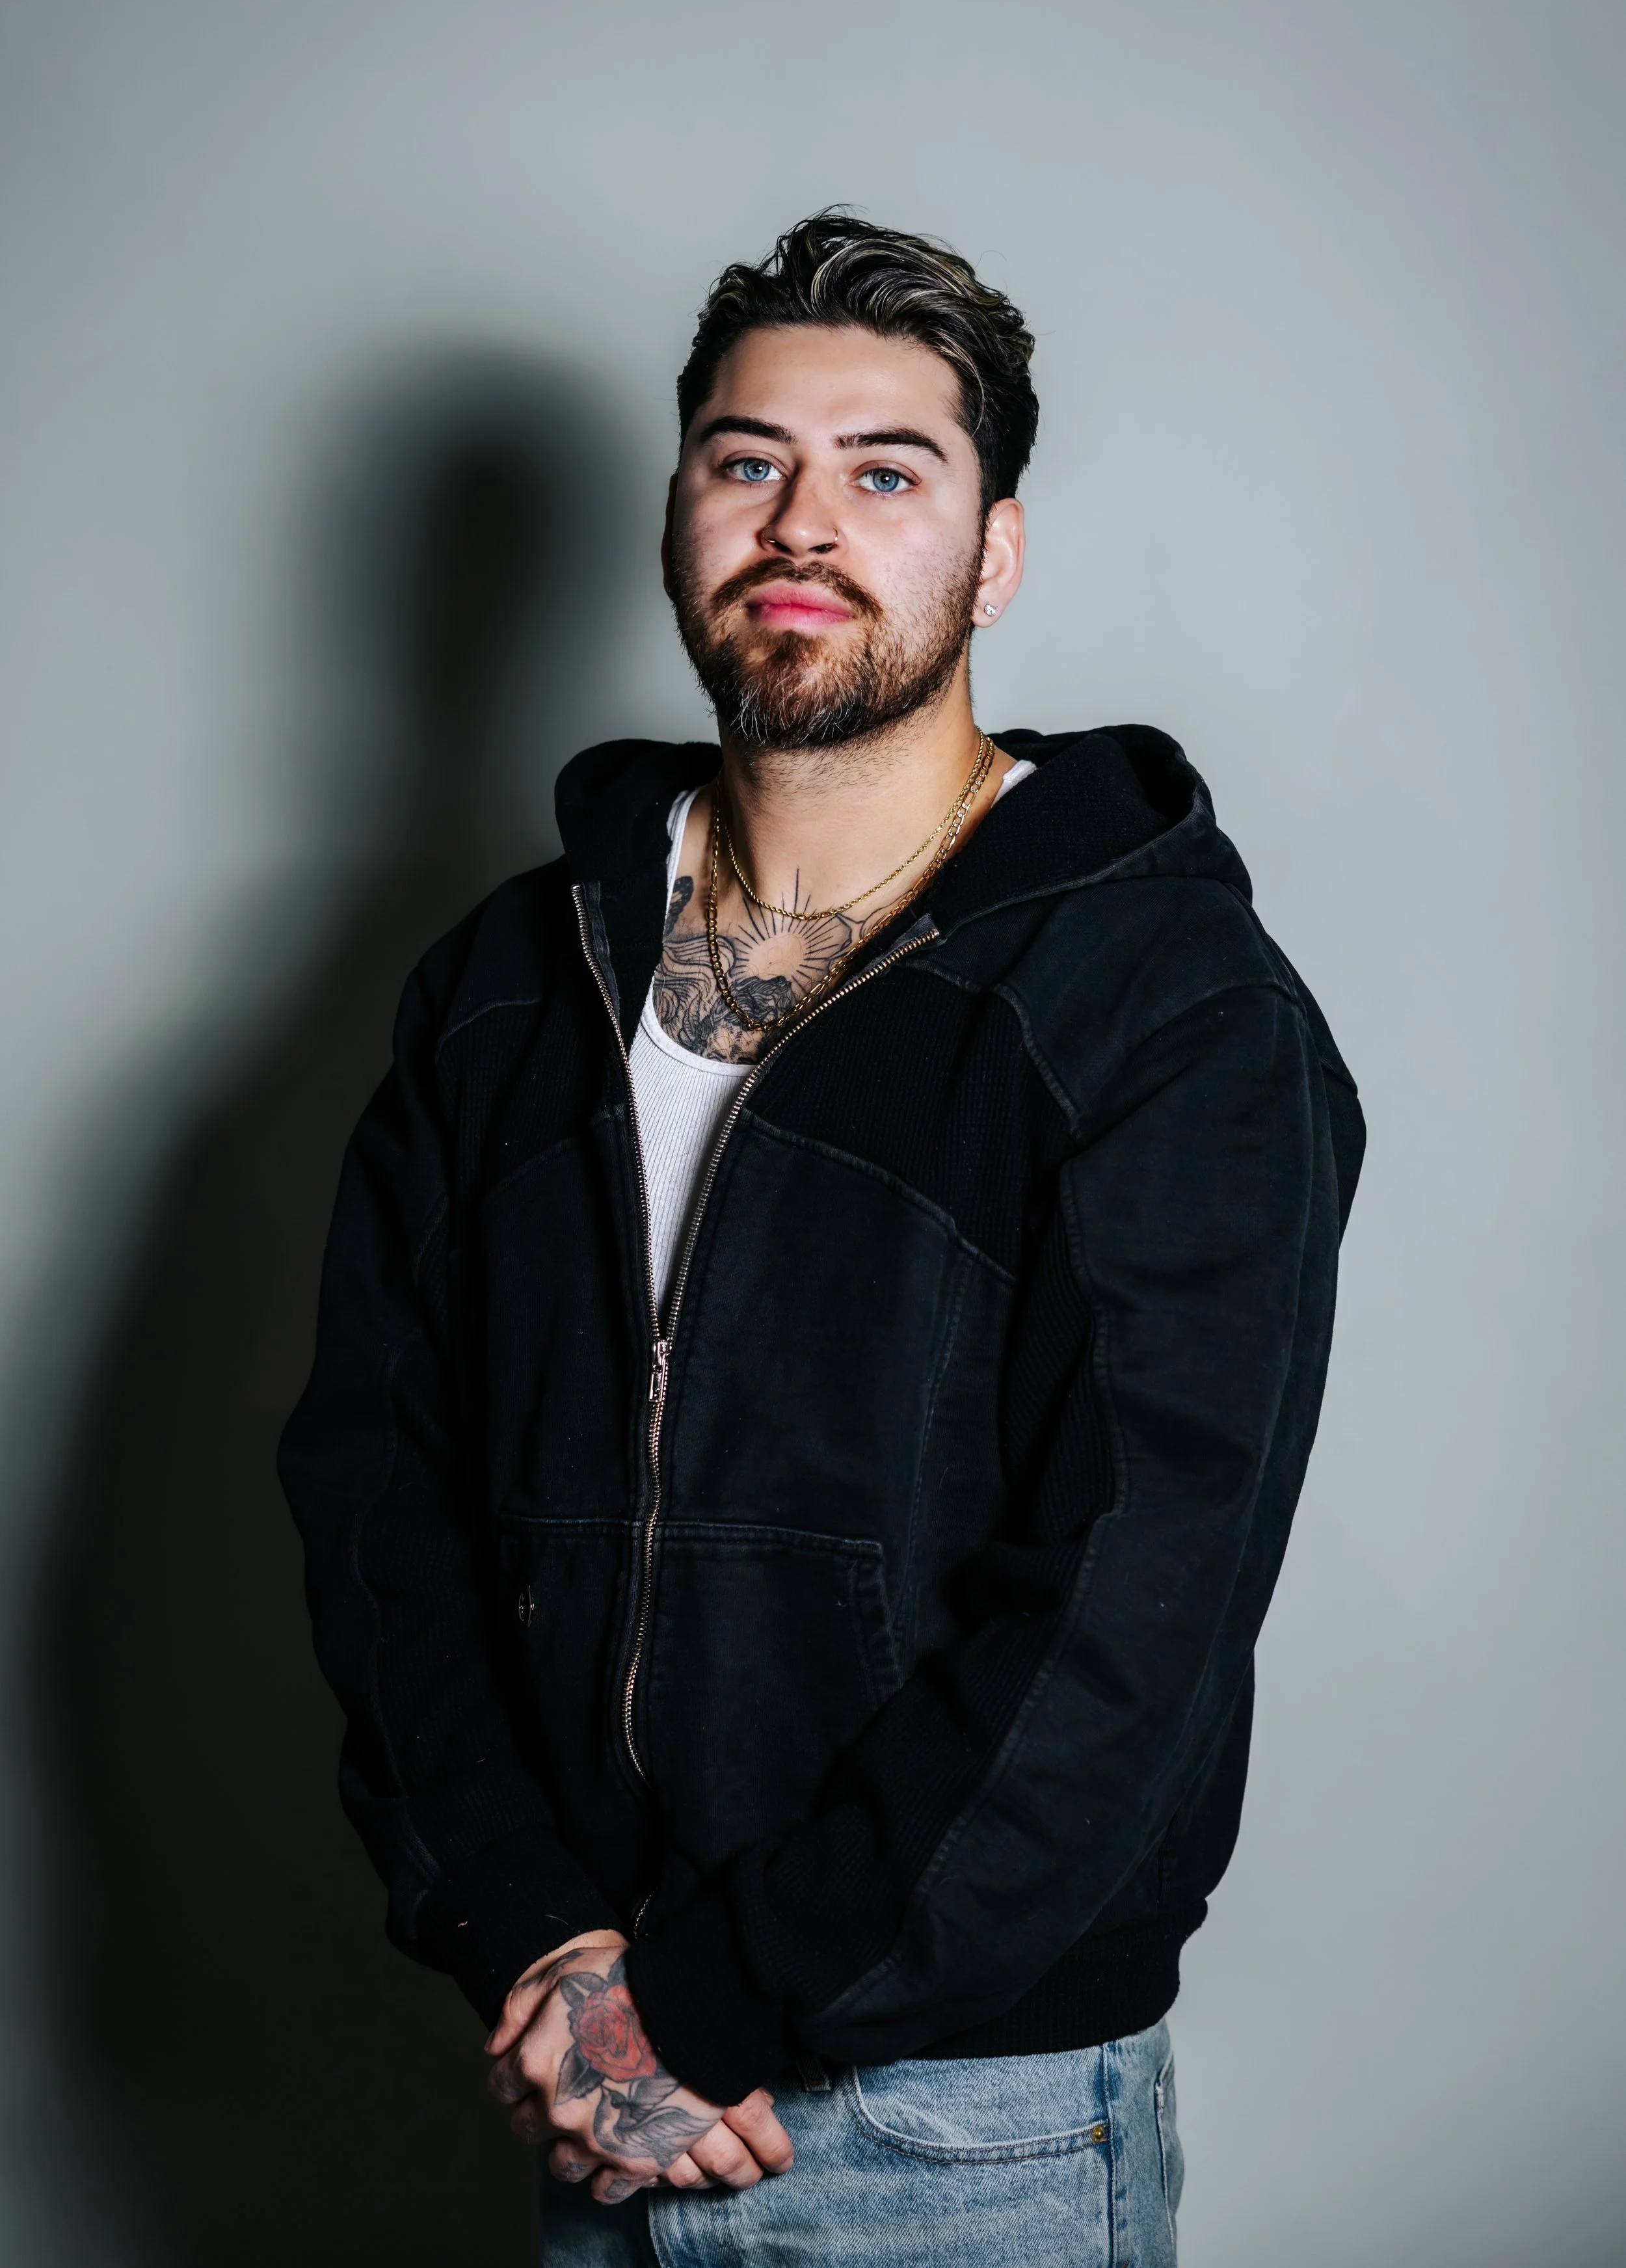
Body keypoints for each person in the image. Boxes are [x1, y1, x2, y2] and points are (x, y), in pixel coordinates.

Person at [280, 213, 1364, 2265]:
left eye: (886, 470)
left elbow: (1126, 1613)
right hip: (587, 2073)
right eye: (746, 459)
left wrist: (698, 2004)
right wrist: (542, 1941)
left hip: (958, 2127)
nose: (803, 520)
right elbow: (376, 1492)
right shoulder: (505, 984)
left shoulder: (1166, 1008)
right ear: (676, 514)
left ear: (994, 552)